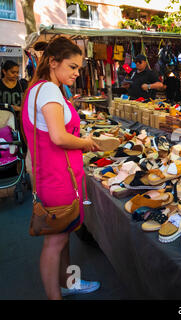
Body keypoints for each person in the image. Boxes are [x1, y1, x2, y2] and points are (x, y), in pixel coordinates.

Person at [21, 36, 101, 300]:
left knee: (64, 236)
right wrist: (87, 143)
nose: (77, 74)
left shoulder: (41, 90)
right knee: (55, 242)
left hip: (56, 176)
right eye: (73, 67)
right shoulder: (49, 91)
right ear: (54, 63)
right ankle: (56, 295)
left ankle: (70, 282)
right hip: (58, 178)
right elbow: (58, 137)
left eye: (79, 68)